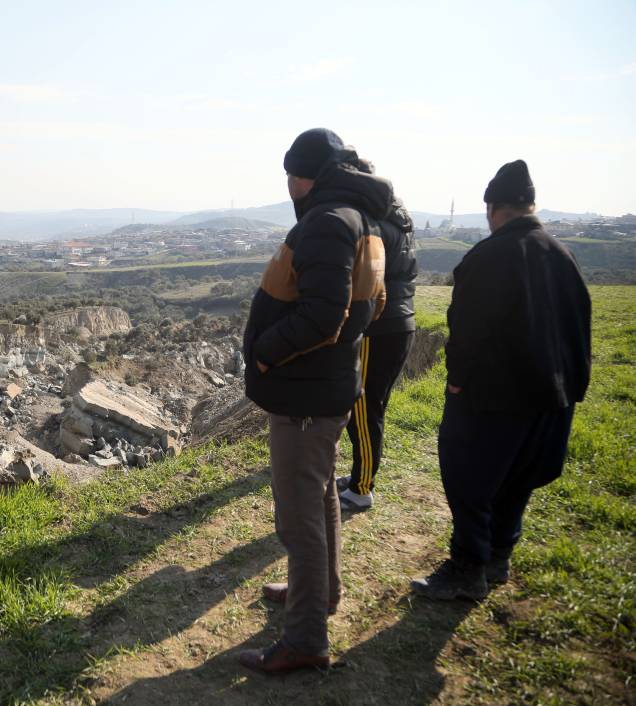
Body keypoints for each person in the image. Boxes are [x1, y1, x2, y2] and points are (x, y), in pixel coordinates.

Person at [239, 128, 386, 674]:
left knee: (297, 520)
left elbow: (326, 315)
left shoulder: (327, 223)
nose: (289, 186)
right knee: (321, 496)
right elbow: (374, 304)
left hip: (304, 394)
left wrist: (265, 353)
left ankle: (305, 640)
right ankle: (321, 593)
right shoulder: (360, 220)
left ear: (308, 177)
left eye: (291, 176)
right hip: (327, 386)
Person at [411, 160, 591, 600]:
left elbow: (467, 330)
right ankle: (498, 557)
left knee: (469, 481)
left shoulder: (489, 256)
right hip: (552, 395)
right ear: (531, 206)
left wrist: (457, 382)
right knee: (520, 478)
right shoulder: (562, 255)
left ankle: (466, 569)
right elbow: (580, 327)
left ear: (492, 209)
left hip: (493, 397)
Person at [337, 165, 418, 512]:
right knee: (370, 408)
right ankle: (360, 475)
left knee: (365, 409)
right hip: (398, 324)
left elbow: (367, 281)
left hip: (380, 326)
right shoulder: (399, 219)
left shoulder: (376, 225)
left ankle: (362, 487)